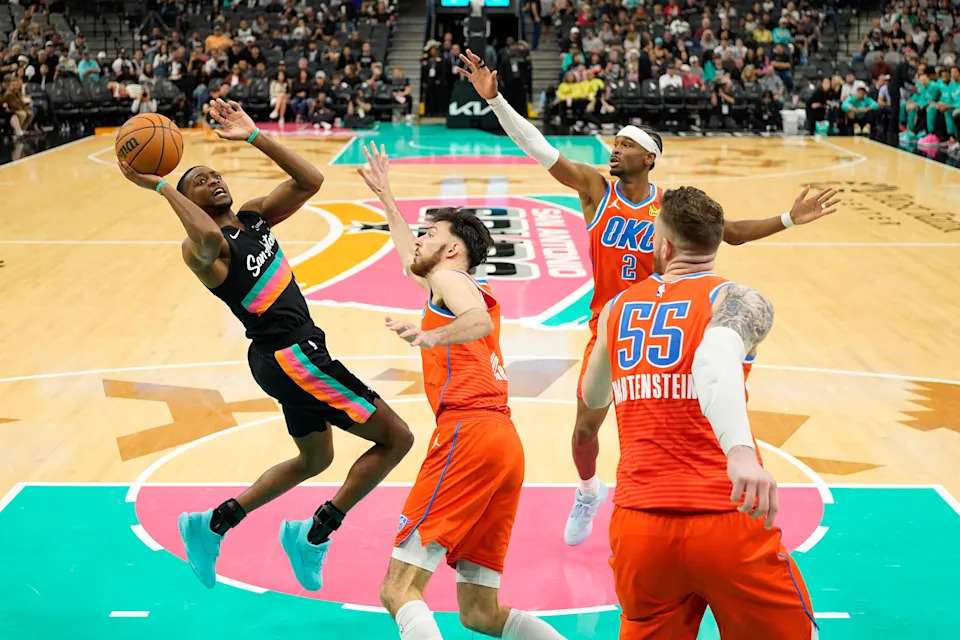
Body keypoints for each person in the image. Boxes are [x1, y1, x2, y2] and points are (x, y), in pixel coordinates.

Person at [454, 49, 841, 546]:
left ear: (649, 158)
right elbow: (537, 147)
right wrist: (497, 101)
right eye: (613, 144)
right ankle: (588, 490)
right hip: (610, 327)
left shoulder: (672, 207)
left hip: (669, 322)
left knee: (685, 420)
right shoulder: (596, 191)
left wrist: (788, 219)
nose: (613, 151)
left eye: (624, 146)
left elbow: (733, 233)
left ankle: (704, 500)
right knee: (584, 433)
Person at [117, 99, 413, 592]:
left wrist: (255, 135)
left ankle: (212, 523)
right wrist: (162, 185)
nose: (212, 180)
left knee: (316, 460)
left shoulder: (254, 217)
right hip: (291, 355)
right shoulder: (202, 251)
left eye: (214, 174)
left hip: (288, 357)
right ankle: (316, 534)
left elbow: (311, 181)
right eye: (199, 180)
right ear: (186, 197)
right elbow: (208, 236)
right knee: (397, 438)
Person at [580, 185, 817, 639]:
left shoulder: (615, 309)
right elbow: (713, 361)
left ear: (664, 245)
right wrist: (741, 453)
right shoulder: (738, 301)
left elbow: (593, 397)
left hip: (639, 526)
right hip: (724, 516)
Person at [356, 142, 566, 640]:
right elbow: (414, 261)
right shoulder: (451, 280)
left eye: (431, 233)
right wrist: (388, 197)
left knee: (398, 589)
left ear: (452, 249)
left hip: (467, 434)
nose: (420, 240)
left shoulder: (452, 280)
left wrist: (429, 336)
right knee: (480, 613)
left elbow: (469, 321)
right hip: (503, 445)